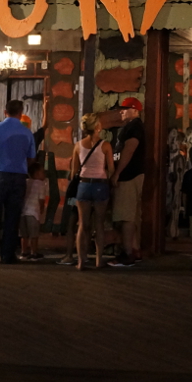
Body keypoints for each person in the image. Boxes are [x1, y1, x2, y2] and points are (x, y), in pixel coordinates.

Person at [0, 99, 36, 265]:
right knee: (12, 218)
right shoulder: (27, 133)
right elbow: (31, 158)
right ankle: (7, 255)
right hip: (18, 177)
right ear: (21, 113)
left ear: (5, 112)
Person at [73, 113, 113, 271]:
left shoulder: (78, 145)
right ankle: (98, 260)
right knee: (99, 225)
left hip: (83, 185)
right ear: (97, 127)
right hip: (100, 185)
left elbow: (73, 171)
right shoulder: (106, 145)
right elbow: (111, 168)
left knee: (83, 225)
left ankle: (81, 261)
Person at [109, 97, 146, 267]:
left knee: (125, 216)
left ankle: (127, 253)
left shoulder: (134, 127)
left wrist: (117, 172)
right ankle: (134, 249)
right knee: (131, 215)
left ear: (135, 110)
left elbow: (129, 150)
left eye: (125, 108)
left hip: (128, 175)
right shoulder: (132, 127)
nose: (121, 111)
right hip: (132, 174)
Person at [20, 162, 48, 261]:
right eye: (42, 172)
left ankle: (23, 252)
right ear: (36, 174)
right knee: (34, 235)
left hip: (23, 212)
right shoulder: (41, 184)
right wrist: (41, 209)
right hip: (33, 213)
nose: (44, 174)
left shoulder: (26, 182)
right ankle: (34, 253)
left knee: (24, 235)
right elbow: (41, 200)